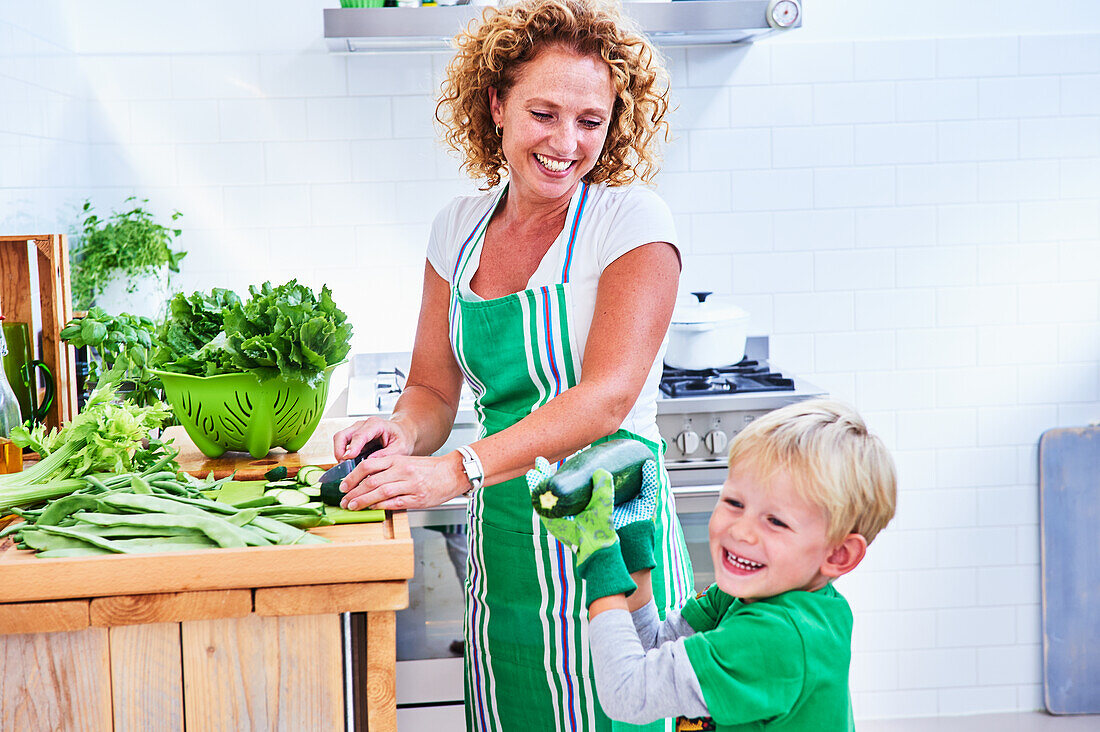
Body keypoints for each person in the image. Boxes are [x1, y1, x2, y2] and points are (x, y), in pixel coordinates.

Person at [332, 0, 694, 728]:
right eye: (544, 113)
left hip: (616, 537)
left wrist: (454, 468)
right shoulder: (458, 228)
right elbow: (433, 387)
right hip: (504, 542)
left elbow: (605, 400)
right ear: (496, 105)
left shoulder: (632, 220)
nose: (567, 142)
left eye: (591, 121)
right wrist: (402, 433)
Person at [537, 399, 897, 731]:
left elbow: (627, 692)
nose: (741, 531)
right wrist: (631, 540)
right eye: (734, 502)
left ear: (838, 555)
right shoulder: (759, 596)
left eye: (776, 521)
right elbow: (654, 647)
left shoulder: (773, 639)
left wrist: (599, 559)